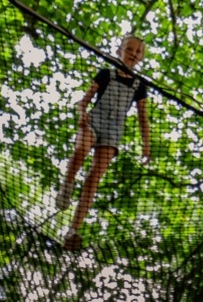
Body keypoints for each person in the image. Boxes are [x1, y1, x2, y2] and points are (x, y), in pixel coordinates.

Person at [56, 33, 152, 251]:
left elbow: (142, 117)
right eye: (129, 49)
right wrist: (81, 113)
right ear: (119, 51)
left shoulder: (139, 85)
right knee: (81, 149)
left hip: (114, 130)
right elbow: (84, 101)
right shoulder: (105, 74)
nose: (133, 54)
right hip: (94, 119)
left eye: (138, 52)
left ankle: (73, 229)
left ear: (141, 58)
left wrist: (147, 145)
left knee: (95, 175)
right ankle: (67, 185)